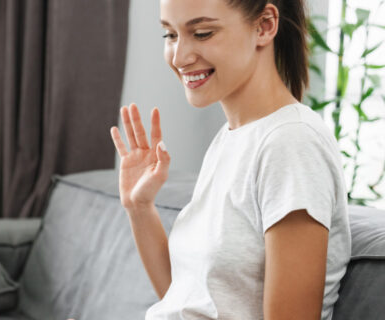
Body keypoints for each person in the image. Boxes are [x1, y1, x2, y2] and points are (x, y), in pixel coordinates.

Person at [108, 0, 351, 319]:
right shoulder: (230, 139)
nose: (180, 57)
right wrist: (139, 208)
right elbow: (186, 299)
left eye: (202, 33)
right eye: (170, 35)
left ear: (265, 25)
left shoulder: (291, 142)